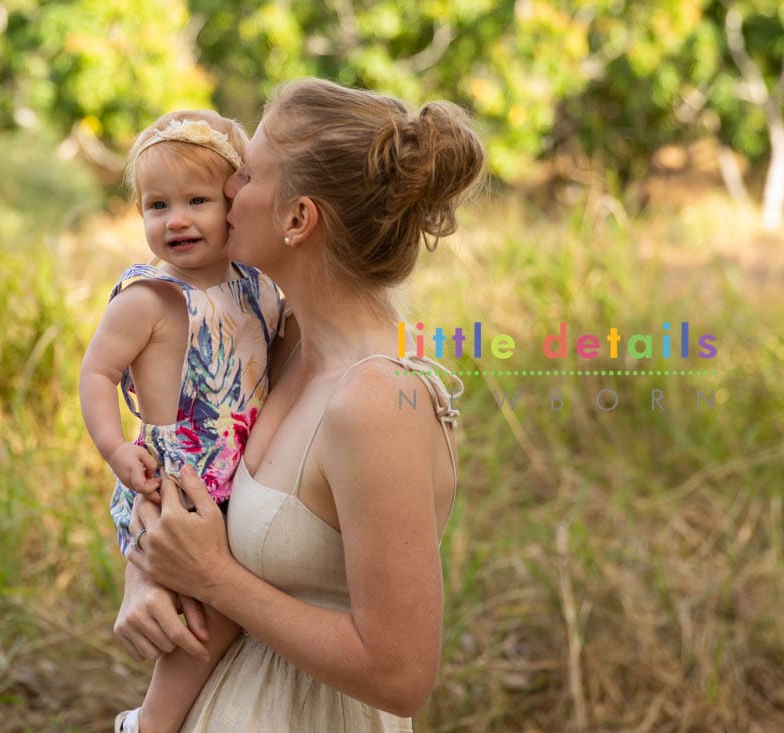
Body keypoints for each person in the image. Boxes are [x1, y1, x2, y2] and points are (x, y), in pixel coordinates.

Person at [117, 77, 484, 731]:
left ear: (297, 219)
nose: (228, 187)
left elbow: (400, 675)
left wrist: (212, 578)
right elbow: (180, 470)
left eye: (249, 173)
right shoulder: (277, 339)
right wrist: (145, 573)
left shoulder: (378, 401)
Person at [78, 110, 288, 733]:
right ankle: (152, 722)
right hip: (178, 480)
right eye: (157, 205)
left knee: (235, 602)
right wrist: (115, 449)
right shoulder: (150, 297)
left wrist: (226, 134)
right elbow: (96, 374)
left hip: (239, 471)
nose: (176, 220)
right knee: (203, 612)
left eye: (197, 201)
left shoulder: (258, 286)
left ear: (232, 204)